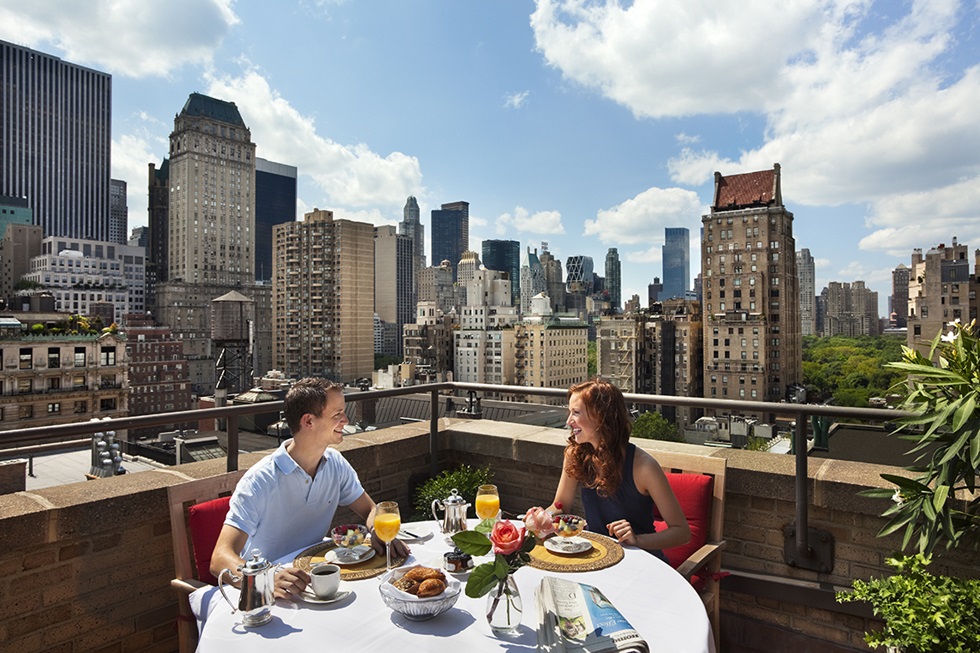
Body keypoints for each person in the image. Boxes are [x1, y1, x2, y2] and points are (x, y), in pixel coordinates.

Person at [211, 377, 409, 599]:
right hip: (274, 595)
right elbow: (220, 558)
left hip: (316, 581)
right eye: (337, 415)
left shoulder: (335, 463)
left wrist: (377, 531)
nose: (346, 420)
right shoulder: (259, 480)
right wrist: (266, 579)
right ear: (308, 422)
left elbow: (371, 510)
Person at [547, 378, 690, 564]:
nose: (568, 421)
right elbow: (561, 507)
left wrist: (638, 540)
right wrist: (542, 517)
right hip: (596, 557)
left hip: (640, 562)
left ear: (600, 416)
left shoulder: (644, 467)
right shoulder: (575, 454)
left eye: (576, 413)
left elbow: (682, 532)